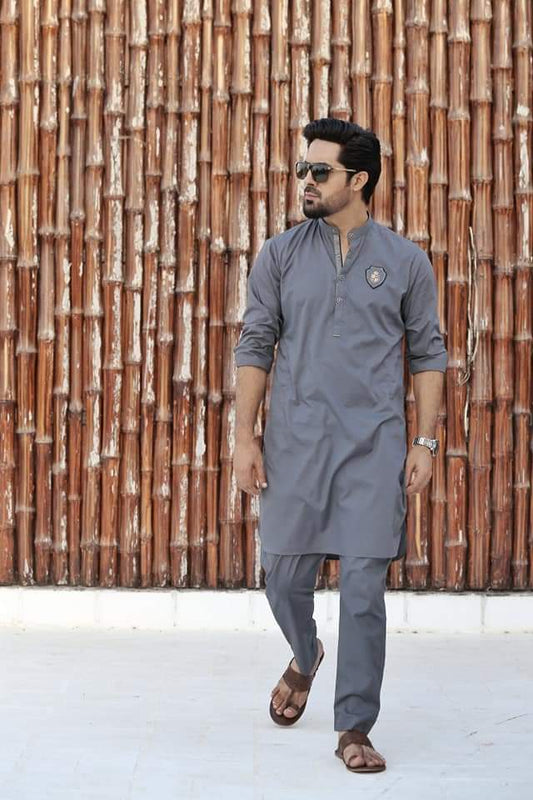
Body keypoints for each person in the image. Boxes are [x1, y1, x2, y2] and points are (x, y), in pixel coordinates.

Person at [232, 117, 447, 773]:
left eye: (319, 171)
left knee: (361, 591)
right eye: (303, 169)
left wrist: (424, 440)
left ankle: (353, 726)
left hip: (374, 449)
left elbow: (427, 354)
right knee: (283, 579)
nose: (305, 180)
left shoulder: (404, 262)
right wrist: (243, 436)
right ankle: (305, 655)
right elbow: (255, 344)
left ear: (358, 180)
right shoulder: (279, 256)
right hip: (294, 445)